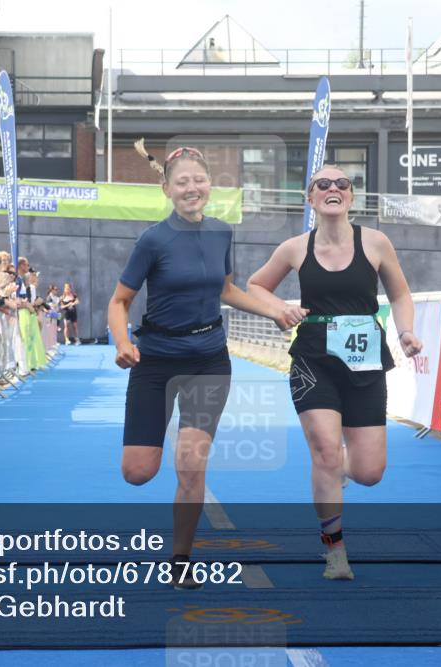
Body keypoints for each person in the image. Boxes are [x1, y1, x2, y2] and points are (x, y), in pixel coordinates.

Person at [107, 146, 296, 589]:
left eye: (199, 180)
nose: (192, 188)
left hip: (209, 359)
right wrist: (121, 342)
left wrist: (275, 311)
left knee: (191, 468)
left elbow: (227, 290)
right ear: (167, 189)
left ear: (210, 186)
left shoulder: (222, 233)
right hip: (154, 360)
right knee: (138, 472)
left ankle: (180, 561)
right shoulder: (152, 240)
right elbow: (119, 301)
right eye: (182, 182)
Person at [246, 165, 423, 580]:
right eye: (322, 184)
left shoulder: (375, 242)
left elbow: (399, 293)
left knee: (368, 473)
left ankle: (338, 470)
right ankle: (334, 550)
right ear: (311, 199)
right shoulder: (295, 248)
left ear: (351, 198)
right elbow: (256, 285)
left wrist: (407, 331)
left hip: (364, 362)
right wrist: (278, 310)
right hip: (313, 360)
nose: (333, 188)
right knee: (325, 450)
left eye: (342, 183)